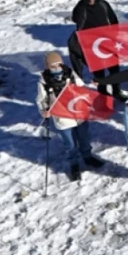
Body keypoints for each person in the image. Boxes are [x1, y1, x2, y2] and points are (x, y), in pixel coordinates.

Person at [36, 51, 101, 181]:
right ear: (47, 67)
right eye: (52, 66)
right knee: (70, 144)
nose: (56, 69)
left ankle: (87, 157)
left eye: (58, 65)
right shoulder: (44, 82)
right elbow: (41, 100)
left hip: (79, 115)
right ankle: (74, 164)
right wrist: (44, 110)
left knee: (84, 138)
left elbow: (82, 88)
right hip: (62, 118)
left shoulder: (70, 74)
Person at [68, 0, 125, 99]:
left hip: (107, 41)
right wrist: (82, 3)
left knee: (114, 68)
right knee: (99, 71)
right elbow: (75, 19)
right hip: (91, 44)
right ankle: (102, 92)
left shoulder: (103, 4)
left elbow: (113, 20)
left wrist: (115, 35)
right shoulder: (81, 9)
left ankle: (116, 90)